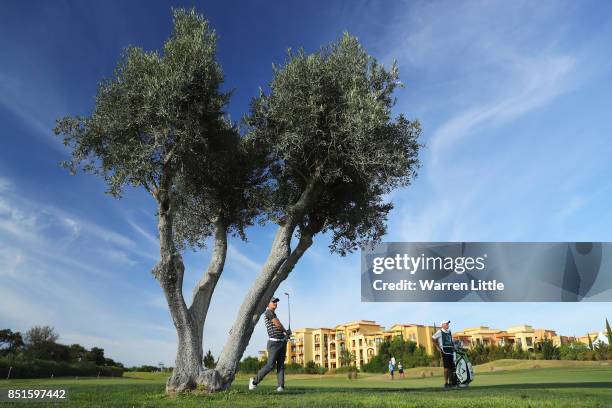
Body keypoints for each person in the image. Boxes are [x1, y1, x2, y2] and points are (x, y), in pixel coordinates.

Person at [249, 297, 291, 392]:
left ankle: (280, 386)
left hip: (281, 342)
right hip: (273, 344)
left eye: (276, 302)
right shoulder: (268, 312)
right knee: (270, 365)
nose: (275, 303)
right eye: (273, 302)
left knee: (280, 366)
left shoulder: (274, 314)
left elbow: (279, 327)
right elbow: (278, 324)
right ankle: (254, 381)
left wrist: (286, 335)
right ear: (268, 304)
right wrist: (286, 332)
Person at [432, 320, 456, 389]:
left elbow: (450, 341)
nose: (448, 325)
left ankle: (451, 383)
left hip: (450, 351)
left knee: (451, 368)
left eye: (448, 324)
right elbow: (433, 338)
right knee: (446, 368)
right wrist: (437, 347)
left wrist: (453, 347)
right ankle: (446, 383)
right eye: (446, 324)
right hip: (444, 351)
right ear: (442, 325)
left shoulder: (449, 332)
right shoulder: (440, 332)